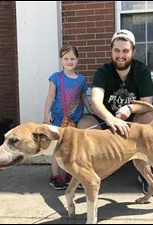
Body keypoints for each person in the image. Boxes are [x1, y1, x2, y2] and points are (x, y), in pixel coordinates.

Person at [77, 29, 153, 195]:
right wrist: (110, 119)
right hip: (107, 121)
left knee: (148, 117)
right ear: (111, 51)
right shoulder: (103, 72)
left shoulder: (142, 71)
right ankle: (87, 172)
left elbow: (147, 105)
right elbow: (95, 102)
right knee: (83, 124)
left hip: (132, 123)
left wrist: (129, 108)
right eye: (117, 50)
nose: (121, 55)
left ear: (133, 51)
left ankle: (145, 173)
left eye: (125, 51)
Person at [44, 45, 93, 190]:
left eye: (72, 58)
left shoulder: (81, 80)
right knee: (57, 148)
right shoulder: (56, 78)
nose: (69, 61)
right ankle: (55, 176)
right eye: (66, 58)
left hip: (75, 120)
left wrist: (91, 110)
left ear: (77, 60)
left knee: (73, 148)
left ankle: (70, 175)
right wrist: (46, 113)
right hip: (59, 119)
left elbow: (83, 97)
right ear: (61, 60)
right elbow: (50, 96)